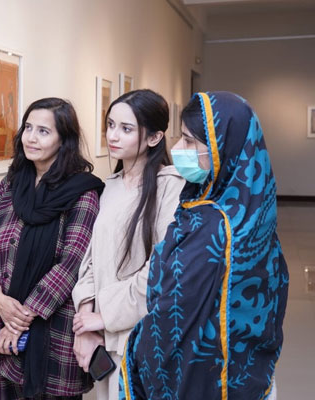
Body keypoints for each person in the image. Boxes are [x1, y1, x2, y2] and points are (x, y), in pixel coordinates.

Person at [119, 92, 288, 399]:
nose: (178, 149)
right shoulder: (252, 211)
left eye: (189, 141)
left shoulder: (210, 228)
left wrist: (135, 357)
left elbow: (170, 320)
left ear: (223, 147)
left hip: (202, 382)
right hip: (248, 374)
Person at [0, 97, 105, 399]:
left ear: (64, 140)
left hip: (52, 330)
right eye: (28, 128)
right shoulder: (12, 183)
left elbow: (72, 263)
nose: (31, 138)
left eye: (44, 131)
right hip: (1, 318)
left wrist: (20, 320)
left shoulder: (83, 192)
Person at [70, 89, 184, 400]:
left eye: (126, 128)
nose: (113, 136)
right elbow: (90, 261)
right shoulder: (108, 187)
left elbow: (162, 270)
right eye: (110, 125)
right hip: (104, 336)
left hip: (144, 335)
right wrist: (87, 320)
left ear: (154, 137)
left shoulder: (170, 187)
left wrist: (105, 314)